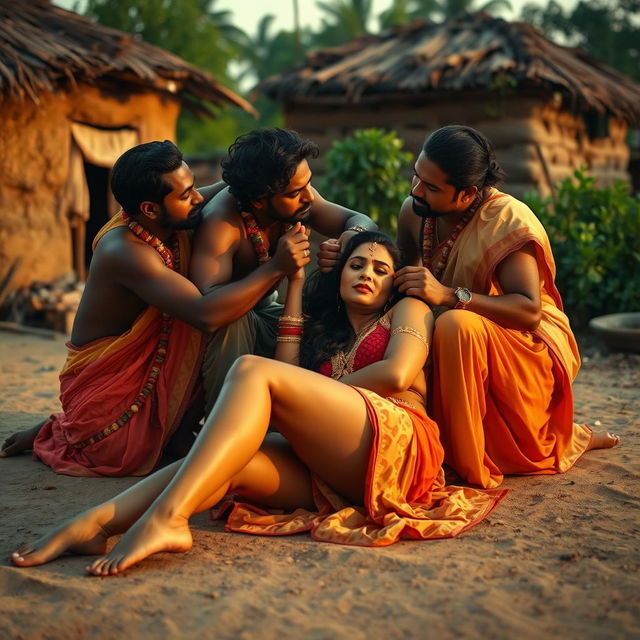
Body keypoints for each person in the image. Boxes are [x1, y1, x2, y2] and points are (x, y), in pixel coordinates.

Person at [9, 232, 505, 574]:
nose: (366, 274)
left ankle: (167, 519)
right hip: (337, 469)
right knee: (227, 459)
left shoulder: (410, 309)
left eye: (380, 269)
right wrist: (294, 285)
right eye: (356, 265)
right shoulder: (326, 335)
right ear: (339, 275)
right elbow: (289, 364)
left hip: (399, 444)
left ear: (393, 281)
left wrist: (308, 401)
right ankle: (99, 522)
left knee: (252, 370)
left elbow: (398, 373)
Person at [0, 140, 311, 476]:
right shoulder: (126, 251)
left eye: (193, 186)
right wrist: (277, 267)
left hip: (155, 361)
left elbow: (245, 182)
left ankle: (178, 432)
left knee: (217, 322)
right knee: (121, 451)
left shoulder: (172, 217)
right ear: (149, 209)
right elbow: (206, 315)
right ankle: (67, 429)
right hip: (113, 389)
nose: (199, 198)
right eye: (185, 194)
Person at [393, 125, 619, 489]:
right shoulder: (414, 211)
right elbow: (408, 281)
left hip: (522, 342)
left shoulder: (507, 219)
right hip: (453, 339)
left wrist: (450, 296)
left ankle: (467, 461)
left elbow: (528, 311)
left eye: (431, 187)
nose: (415, 190)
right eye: (416, 177)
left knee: (455, 324)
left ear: (467, 194)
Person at [189, 128, 377, 414]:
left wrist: (351, 237)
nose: (309, 198)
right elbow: (208, 314)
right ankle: (228, 424)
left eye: (309, 185)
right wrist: (277, 267)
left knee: (327, 324)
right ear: (258, 200)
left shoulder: (298, 198)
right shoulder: (222, 223)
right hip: (224, 330)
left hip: (270, 312)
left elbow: (359, 219)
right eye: (295, 193)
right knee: (233, 323)